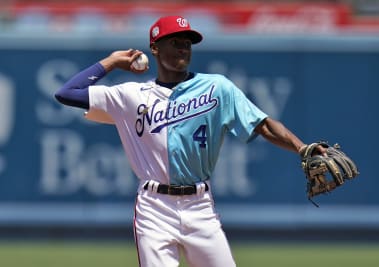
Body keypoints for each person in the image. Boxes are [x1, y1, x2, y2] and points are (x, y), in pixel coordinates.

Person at [55, 15, 326, 267]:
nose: (184, 48)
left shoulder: (216, 88)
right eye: (175, 42)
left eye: (188, 43)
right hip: (154, 208)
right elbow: (67, 92)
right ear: (155, 48)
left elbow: (263, 125)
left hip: (200, 206)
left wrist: (302, 148)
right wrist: (113, 61)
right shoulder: (131, 96)